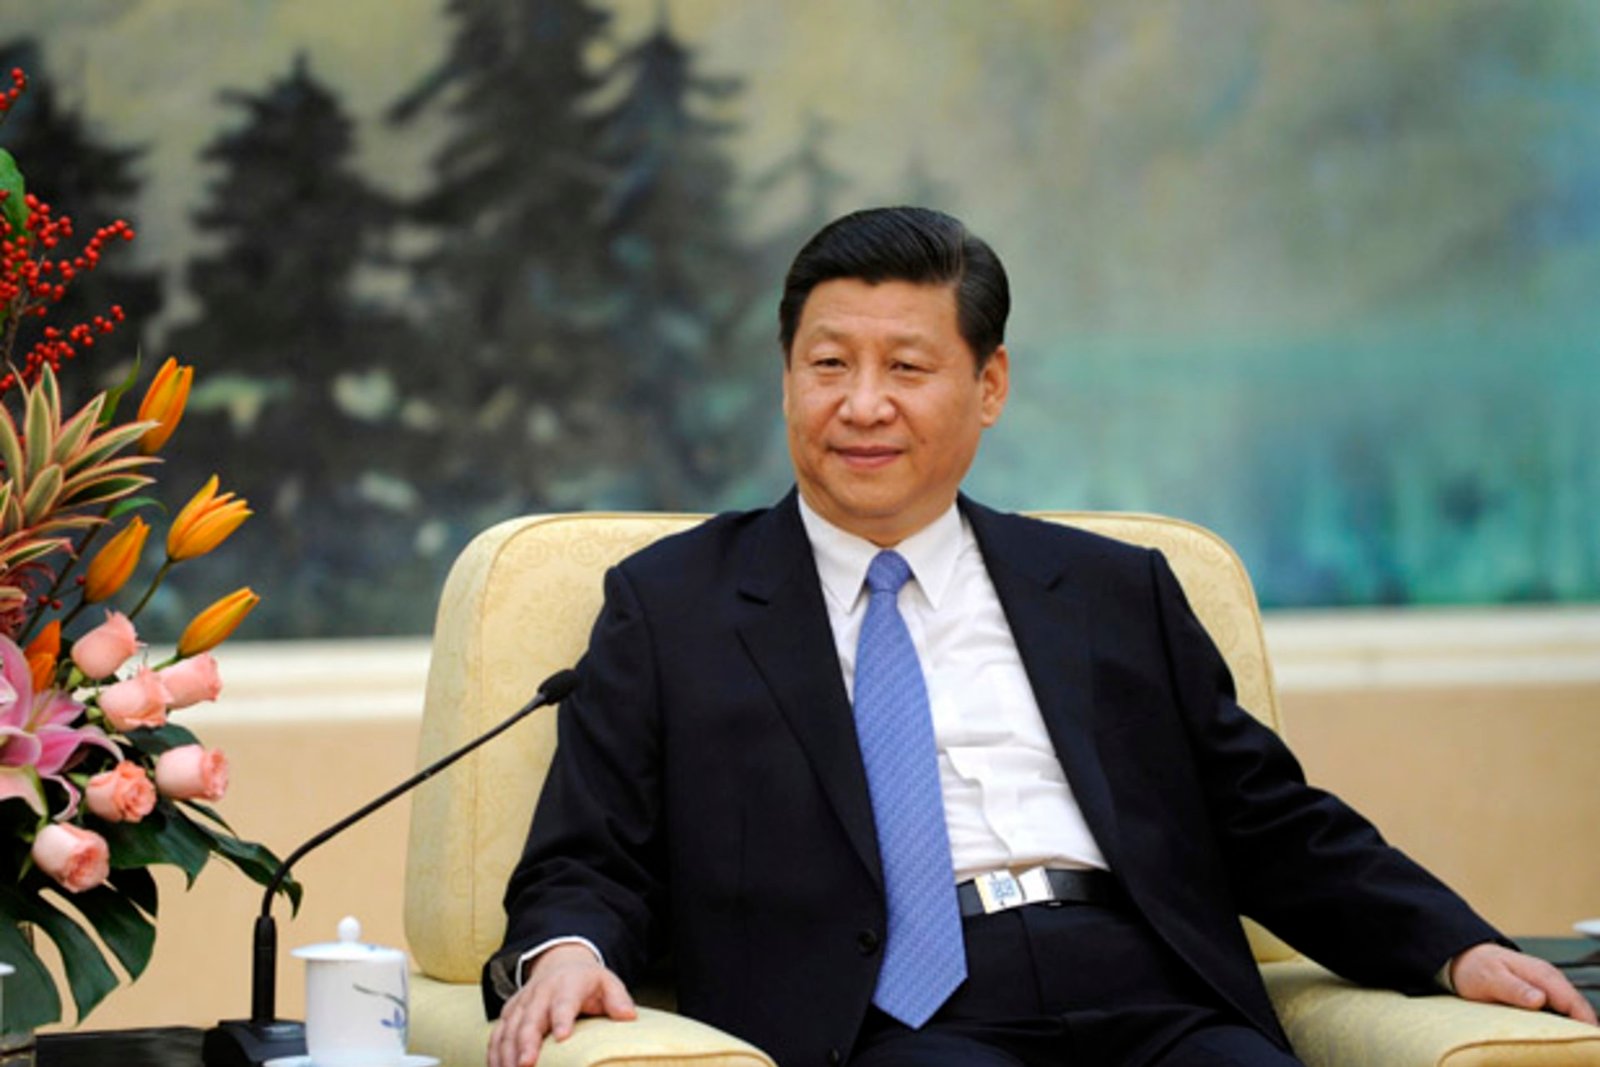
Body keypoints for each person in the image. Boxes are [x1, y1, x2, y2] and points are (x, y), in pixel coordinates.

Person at [483, 207, 1594, 1067]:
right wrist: (567, 952)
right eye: (828, 364)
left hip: (1149, 989)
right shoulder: (674, 603)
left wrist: (1452, 943)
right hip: (886, 1018)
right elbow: (589, 852)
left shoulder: (1112, 588)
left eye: (906, 367)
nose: (861, 404)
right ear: (786, 380)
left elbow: (1267, 819)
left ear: (989, 385)